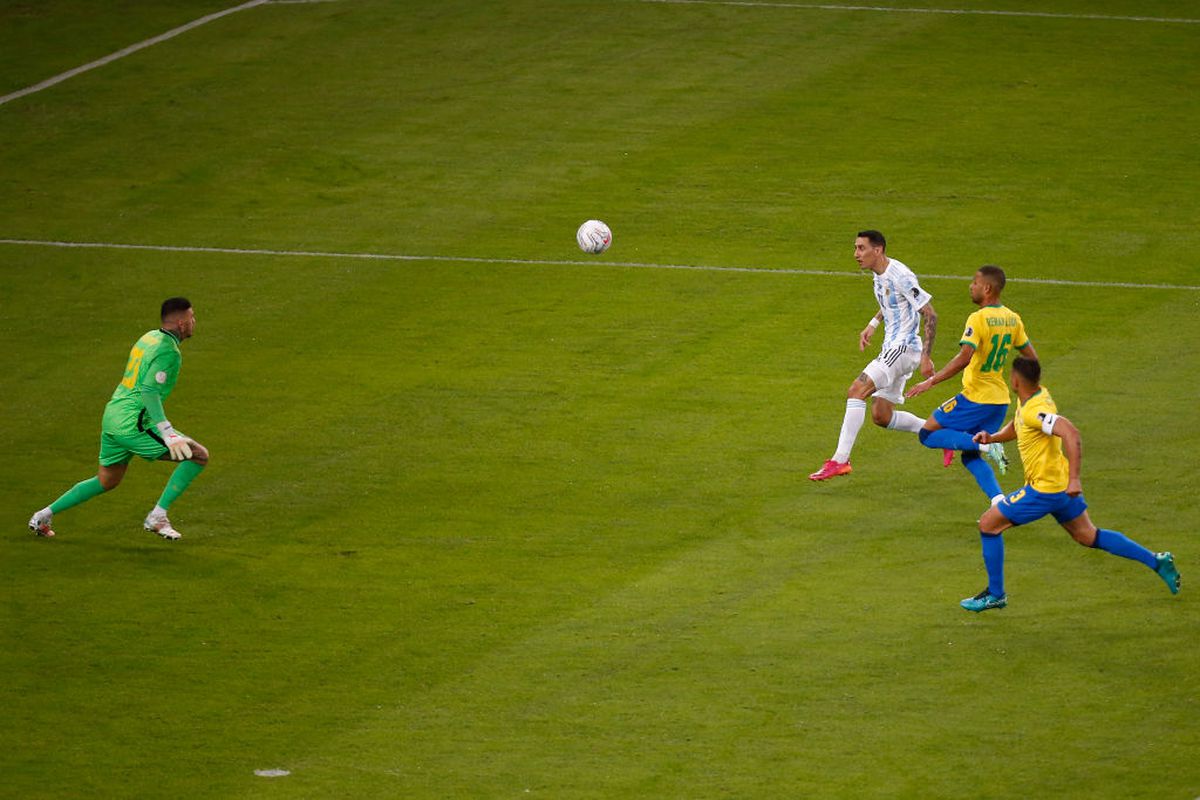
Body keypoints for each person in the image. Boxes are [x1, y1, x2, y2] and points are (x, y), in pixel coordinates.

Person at [959, 356, 1179, 612]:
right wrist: (993, 437)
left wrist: (1076, 478)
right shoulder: (1036, 396)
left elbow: (1071, 433)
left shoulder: (1034, 409)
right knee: (1087, 535)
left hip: (1045, 489)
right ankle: (1156, 561)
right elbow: (1020, 424)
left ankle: (996, 594)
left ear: (1016, 380)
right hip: (1061, 485)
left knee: (989, 524)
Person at [27, 297, 208, 540]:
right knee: (197, 455)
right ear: (181, 323)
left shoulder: (149, 337)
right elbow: (149, 391)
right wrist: (168, 432)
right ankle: (157, 516)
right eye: (191, 317)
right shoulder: (169, 352)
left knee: (107, 480)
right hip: (133, 424)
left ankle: (43, 515)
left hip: (113, 416)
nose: (194, 321)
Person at [809, 230, 937, 481]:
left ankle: (839, 461)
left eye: (861, 248)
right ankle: (945, 434)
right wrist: (873, 324)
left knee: (857, 390)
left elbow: (930, 313)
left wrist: (925, 357)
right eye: (855, 248)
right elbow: (891, 301)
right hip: (894, 346)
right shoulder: (879, 272)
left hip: (902, 348)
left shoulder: (900, 275)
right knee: (881, 415)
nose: (856, 254)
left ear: (877, 250)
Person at [906, 265, 1036, 504]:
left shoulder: (978, 319)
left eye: (975, 282)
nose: (971, 286)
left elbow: (964, 357)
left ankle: (988, 446)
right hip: (999, 401)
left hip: (976, 398)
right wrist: (1028, 392)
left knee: (927, 433)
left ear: (987, 288)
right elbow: (1032, 357)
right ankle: (998, 501)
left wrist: (931, 381)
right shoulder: (1013, 319)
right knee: (970, 456)